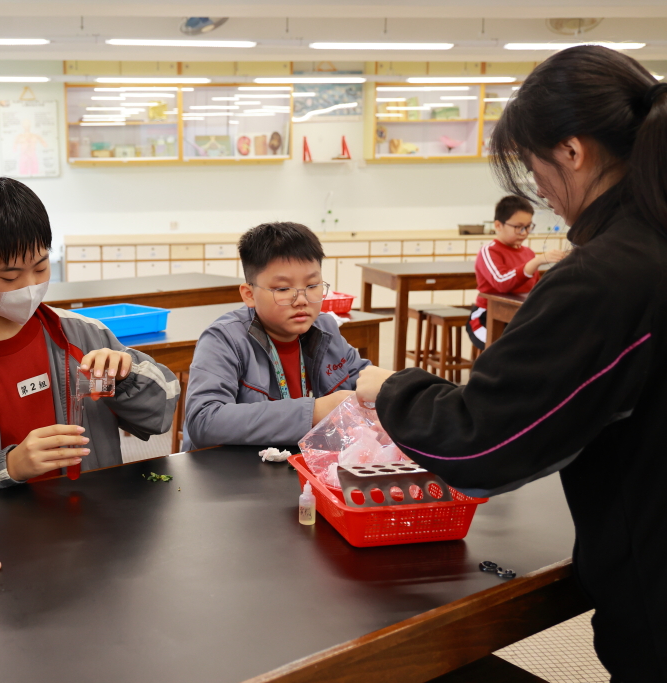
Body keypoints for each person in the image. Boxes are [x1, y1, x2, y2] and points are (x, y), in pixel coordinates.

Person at [355, 46, 667, 681]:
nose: (539, 192)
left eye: (532, 167)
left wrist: (387, 388)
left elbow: (480, 445)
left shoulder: (609, 274)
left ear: (572, 151)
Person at [0, 178, 179, 504]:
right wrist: (8, 467)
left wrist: (127, 379)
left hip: (95, 519)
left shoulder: (83, 337)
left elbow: (161, 413)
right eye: (10, 276)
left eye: (41, 268)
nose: (30, 286)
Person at [182, 222, 371, 450]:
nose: (301, 300)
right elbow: (204, 421)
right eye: (283, 289)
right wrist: (314, 411)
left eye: (312, 285)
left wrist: (388, 386)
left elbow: (363, 379)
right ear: (249, 294)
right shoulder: (224, 339)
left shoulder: (325, 329)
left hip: (307, 460)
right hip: (239, 466)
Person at [466, 195, 567, 348]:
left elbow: (535, 290)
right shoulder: (490, 251)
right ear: (498, 225)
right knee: (502, 350)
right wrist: (536, 261)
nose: (524, 232)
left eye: (528, 226)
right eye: (518, 227)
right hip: (488, 317)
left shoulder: (528, 253)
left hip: (519, 317)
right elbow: (502, 283)